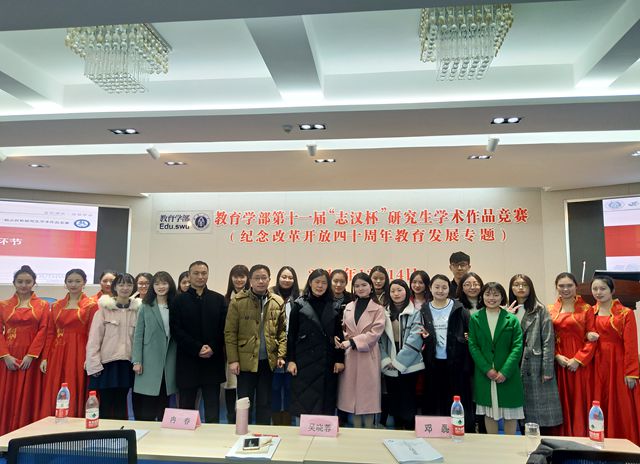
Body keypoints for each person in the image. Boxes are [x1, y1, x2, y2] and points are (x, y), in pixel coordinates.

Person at [225, 264, 287, 425]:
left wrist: (281, 354)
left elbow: (282, 331)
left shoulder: (277, 301)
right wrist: (233, 360)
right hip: (245, 363)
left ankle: (263, 433)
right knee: (244, 403)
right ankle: (242, 433)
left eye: (264, 278)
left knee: (265, 403)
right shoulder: (238, 301)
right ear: (250, 280)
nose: (260, 281)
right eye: (257, 278)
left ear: (269, 280)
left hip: (267, 362)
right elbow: (230, 333)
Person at [170, 261, 227, 423]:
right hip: (188, 361)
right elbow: (176, 330)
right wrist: (197, 348)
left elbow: (224, 329)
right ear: (189, 276)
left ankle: (212, 439)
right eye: (196, 273)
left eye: (204, 273)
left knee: (212, 410)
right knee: (186, 410)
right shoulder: (178, 301)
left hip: (212, 361)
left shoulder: (218, 299)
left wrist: (212, 347)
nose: (200, 276)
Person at [40, 269, 98, 419]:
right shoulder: (56, 305)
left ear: (84, 283)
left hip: (79, 350)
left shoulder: (91, 305)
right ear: (65, 283)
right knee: (55, 385)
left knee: (74, 383)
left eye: (78, 281)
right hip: (57, 351)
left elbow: (93, 333)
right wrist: (45, 357)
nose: (73, 284)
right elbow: (51, 333)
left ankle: (74, 418)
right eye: (70, 281)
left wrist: (90, 357)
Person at [508, 274, 562, 434]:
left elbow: (548, 340)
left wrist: (547, 369)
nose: (520, 288)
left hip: (535, 364)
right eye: (516, 285)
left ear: (530, 288)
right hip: (514, 364)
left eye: (524, 285)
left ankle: (540, 444)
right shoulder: (508, 310)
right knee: (518, 409)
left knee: (538, 409)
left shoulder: (540, 309)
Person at [420, 274, 475, 432]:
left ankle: (458, 431)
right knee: (434, 399)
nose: (440, 290)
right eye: (436, 287)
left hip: (456, 364)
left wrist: (465, 339)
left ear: (449, 289)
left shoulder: (459, 308)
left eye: (444, 287)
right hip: (432, 363)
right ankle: (436, 433)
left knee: (456, 400)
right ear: (430, 288)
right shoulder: (424, 309)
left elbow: (471, 332)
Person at [468, 282, 524, 435]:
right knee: (489, 412)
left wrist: (505, 371)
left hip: (508, 374)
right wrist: (487, 369)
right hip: (485, 374)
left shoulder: (511, 319)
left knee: (510, 412)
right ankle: (493, 444)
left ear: (502, 297)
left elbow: (517, 346)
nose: (491, 298)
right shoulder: (475, 319)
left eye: (496, 295)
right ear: (482, 296)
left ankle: (510, 446)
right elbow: (473, 346)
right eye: (487, 294)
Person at [287, 269, 344, 419]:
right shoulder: (299, 305)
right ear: (310, 283)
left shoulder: (335, 306)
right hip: (304, 361)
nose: (320, 286)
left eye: (324, 283)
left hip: (327, 361)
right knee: (304, 401)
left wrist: (339, 360)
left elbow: (339, 335)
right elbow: (291, 335)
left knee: (326, 403)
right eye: (317, 282)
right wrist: (291, 360)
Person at [0, 265, 49, 436]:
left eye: (28, 281)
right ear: (14, 283)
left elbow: (44, 329)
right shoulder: (3, 305)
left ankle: (27, 435)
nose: (24, 285)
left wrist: (31, 355)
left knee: (30, 394)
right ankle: (5, 434)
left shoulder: (43, 305)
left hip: (32, 357)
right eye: (20, 281)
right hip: (9, 356)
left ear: (34, 283)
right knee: (7, 395)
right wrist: (5, 355)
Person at [591, 276, 640, 445]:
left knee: (620, 403)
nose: (598, 292)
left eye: (603, 288)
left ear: (612, 290)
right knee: (598, 400)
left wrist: (631, 372)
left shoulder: (625, 313)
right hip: (595, 363)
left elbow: (631, 344)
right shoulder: (589, 312)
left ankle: (624, 442)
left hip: (617, 363)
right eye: (595, 289)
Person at [548, 272, 597, 437]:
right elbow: (547, 338)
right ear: (556, 287)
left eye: (569, 285)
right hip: (559, 362)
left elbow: (592, 338)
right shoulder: (550, 309)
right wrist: (556, 355)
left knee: (581, 399)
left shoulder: (587, 309)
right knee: (561, 400)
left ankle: (582, 437)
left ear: (576, 286)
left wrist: (578, 359)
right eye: (561, 286)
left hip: (581, 363)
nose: (565, 289)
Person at [86, 272, 140, 419]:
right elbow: (94, 340)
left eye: (129, 284)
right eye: (121, 284)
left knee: (121, 403)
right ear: (115, 287)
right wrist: (94, 365)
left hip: (127, 363)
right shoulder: (104, 310)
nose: (125, 288)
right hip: (107, 364)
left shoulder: (137, 311)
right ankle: (103, 432)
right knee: (106, 403)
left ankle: (121, 432)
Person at [336, 272, 385, 428]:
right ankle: (356, 430)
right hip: (351, 354)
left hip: (368, 354)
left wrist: (352, 341)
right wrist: (343, 339)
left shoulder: (378, 308)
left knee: (368, 396)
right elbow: (344, 328)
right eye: (357, 286)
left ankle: (369, 429)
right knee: (352, 397)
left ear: (371, 287)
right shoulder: (349, 307)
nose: (360, 288)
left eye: (364, 285)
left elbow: (375, 333)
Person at [132, 271, 178, 421]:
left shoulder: (176, 305)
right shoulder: (146, 306)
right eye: (157, 283)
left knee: (165, 398)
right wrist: (137, 360)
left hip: (170, 358)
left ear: (170, 285)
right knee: (148, 400)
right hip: (149, 359)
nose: (160, 287)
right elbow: (138, 335)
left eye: (164, 283)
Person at [379, 279, 425, 430]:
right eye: (393, 291)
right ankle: (397, 430)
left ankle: (410, 430)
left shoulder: (415, 313)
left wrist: (399, 362)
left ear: (407, 292)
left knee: (408, 398)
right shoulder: (383, 313)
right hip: (389, 362)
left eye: (400, 290)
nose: (396, 294)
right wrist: (386, 360)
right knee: (394, 398)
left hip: (410, 363)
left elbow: (415, 338)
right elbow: (378, 339)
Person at [271, 266, 300, 425]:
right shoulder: (270, 296)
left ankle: (288, 422)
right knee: (275, 387)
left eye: (290, 277)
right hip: (274, 348)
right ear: (278, 278)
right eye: (284, 276)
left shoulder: (299, 298)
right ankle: (276, 422)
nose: (287, 280)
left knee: (290, 387)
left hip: (293, 348)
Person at [222, 264, 250, 423]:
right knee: (230, 385)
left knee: (246, 388)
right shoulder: (224, 299)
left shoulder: (253, 298)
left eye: (242, 276)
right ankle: (231, 419)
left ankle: (244, 420)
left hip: (249, 351)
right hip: (229, 351)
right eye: (236, 276)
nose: (239, 280)